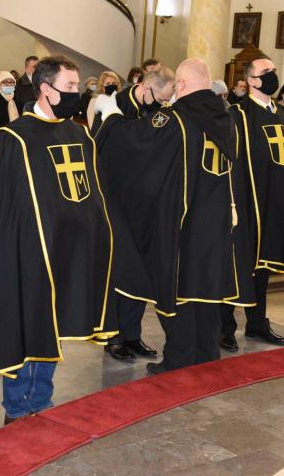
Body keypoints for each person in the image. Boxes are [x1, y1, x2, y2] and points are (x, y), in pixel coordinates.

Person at [0, 55, 116, 424]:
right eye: (70, 87)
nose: (77, 93)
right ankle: (17, 408)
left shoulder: (79, 134)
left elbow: (90, 194)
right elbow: (2, 206)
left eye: (78, 86)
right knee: (24, 324)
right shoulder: (13, 138)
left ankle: (42, 398)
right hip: (26, 252)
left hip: (66, 248)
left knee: (54, 323)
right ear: (46, 89)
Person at [93, 58, 255, 373]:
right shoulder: (227, 117)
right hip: (218, 221)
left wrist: (111, 114)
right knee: (206, 293)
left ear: (180, 85)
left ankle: (179, 359)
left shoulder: (177, 119)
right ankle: (205, 355)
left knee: (180, 291)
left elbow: (137, 142)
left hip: (185, 222)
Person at [220, 55, 284, 351]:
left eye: (274, 69)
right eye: (266, 71)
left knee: (263, 266)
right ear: (251, 80)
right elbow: (231, 163)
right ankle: (224, 327)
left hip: (275, 202)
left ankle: (257, 323)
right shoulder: (238, 114)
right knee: (238, 264)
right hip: (246, 204)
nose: (272, 75)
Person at [90, 67, 175, 361]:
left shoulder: (156, 112)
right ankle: (113, 337)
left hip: (144, 205)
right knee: (119, 272)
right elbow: (99, 149)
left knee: (140, 271)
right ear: (146, 88)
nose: (163, 105)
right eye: (161, 99)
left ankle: (132, 335)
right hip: (115, 202)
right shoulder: (115, 108)